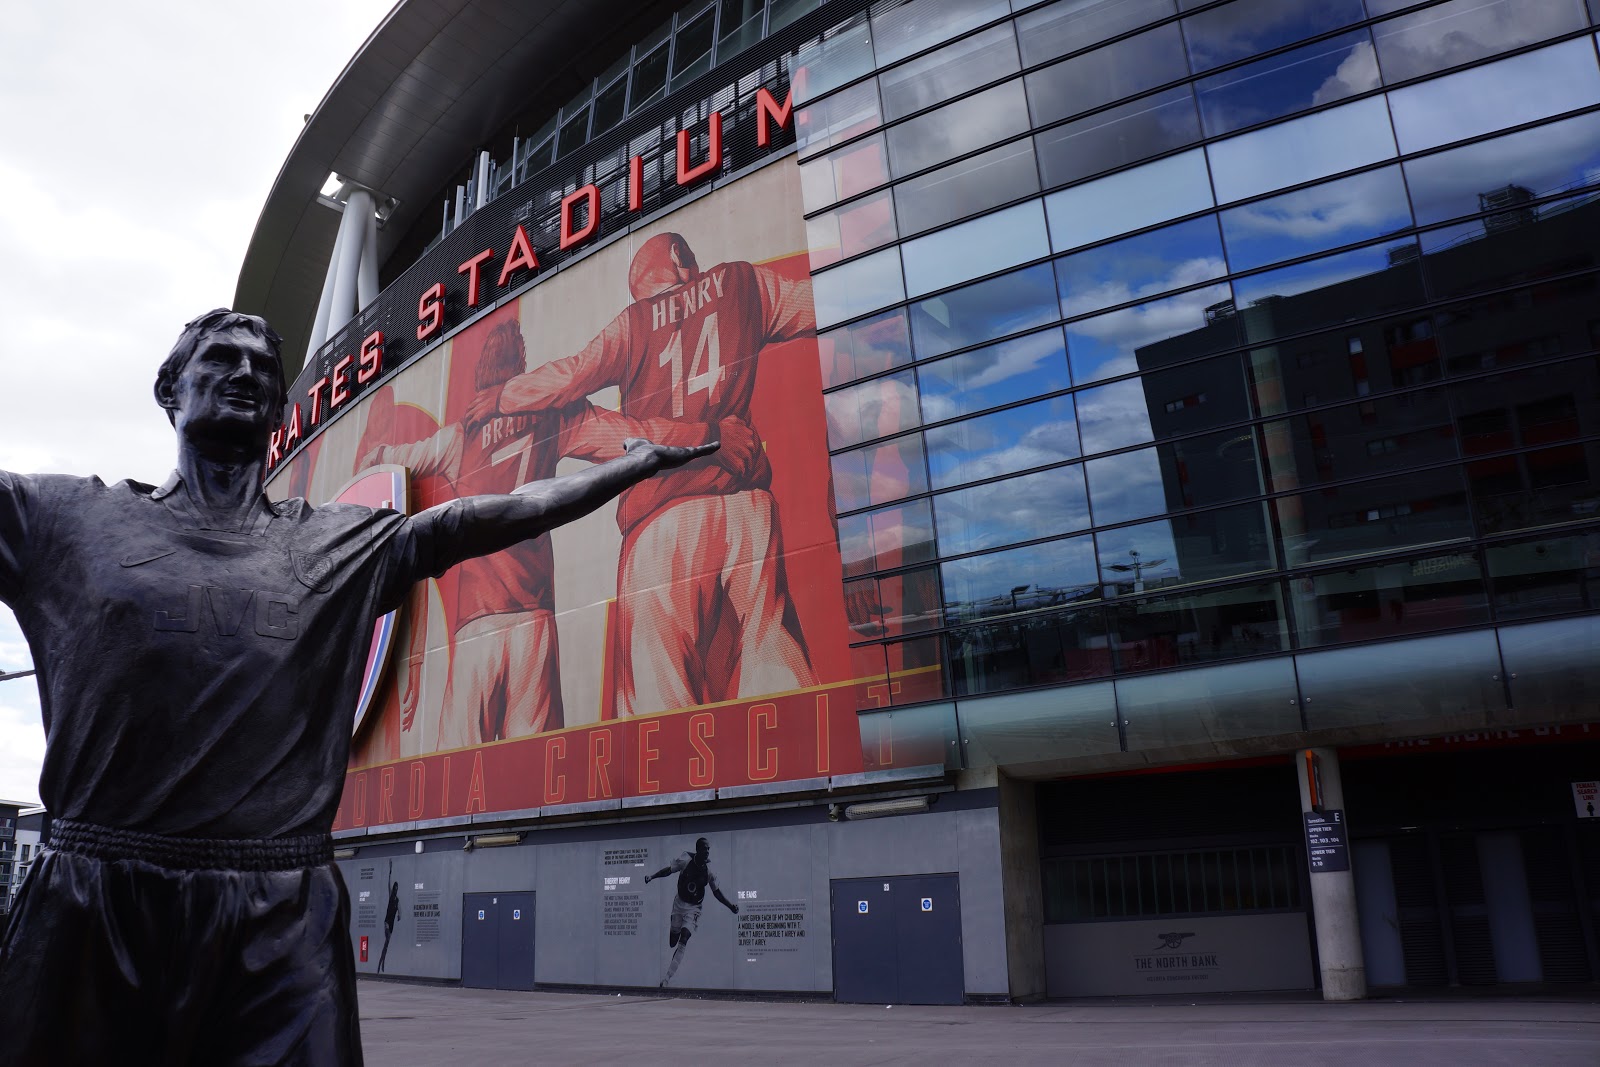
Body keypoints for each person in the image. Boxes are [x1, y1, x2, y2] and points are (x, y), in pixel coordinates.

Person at [0, 309, 716, 1065]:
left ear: (279, 412)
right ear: (169, 390)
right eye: (220, 356)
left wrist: (623, 468)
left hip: (277, 915)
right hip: (98, 899)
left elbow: (473, 519)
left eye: (262, 368)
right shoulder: (68, 520)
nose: (245, 372)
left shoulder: (335, 542)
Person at [467, 232, 818, 717]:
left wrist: (505, 396)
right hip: (745, 507)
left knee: (658, 695)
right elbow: (824, 298)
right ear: (679, 260)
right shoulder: (743, 282)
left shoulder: (632, 326)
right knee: (771, 650)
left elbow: (570, 376)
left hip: (662, 521)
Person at [359, 317, 746, 745]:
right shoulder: (553, 416)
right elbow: (633, 438)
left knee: (458, 767)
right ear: (521, 366)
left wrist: (374, 442)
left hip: (475, 624)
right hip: (534, 616)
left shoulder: (456, 438)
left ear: (481, 373)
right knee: (536, 763)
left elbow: (387, 461)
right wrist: (709, 434)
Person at [643, 837, 737, 987]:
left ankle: (666, 979)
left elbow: (717, 893)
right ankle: (674, 928)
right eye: (704, 848)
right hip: (679, 904)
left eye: (708, 849)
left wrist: (730, 905)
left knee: (684, 939)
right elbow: (669, 870)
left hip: (694, 909)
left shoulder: (709, 872)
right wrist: (652, 876)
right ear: (698, 849)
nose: (707, 851)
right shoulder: (686, 859)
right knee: (672, 941)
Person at [377, 866, 400, 975]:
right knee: (386, 943)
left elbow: (400, 909)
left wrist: (399, 915)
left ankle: (381, 962)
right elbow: (388, 884)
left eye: (396, 888)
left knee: (386, 945)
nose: (395, 889)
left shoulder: (397, 900)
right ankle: (381, 964)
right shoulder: (391, 896)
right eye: (395, 888)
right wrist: (390, 871)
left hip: (392, 924)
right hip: (387, 922)